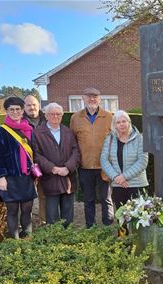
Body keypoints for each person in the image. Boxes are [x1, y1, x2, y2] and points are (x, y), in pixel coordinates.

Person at [0, 96, 37, 239]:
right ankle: (14, 241)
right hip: (10, 177)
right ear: (6, 111)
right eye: (12, 109)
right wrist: (1, 177)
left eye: (18, 109)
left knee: (27, 208)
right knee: (12, 210)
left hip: (27, 176)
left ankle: (27, 237)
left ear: (23, 110)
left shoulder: (29, 129)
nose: (15, 112)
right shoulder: (1, 131)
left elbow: (35, 152)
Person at [70, 87, 114, 227]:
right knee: (88, 199)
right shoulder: (75, 118)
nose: (92, 99)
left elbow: (114, 140)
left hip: (104, 166)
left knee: (106, 198)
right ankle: (91, 227)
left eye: (95, 96)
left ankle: (108, 224)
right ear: (83, 98)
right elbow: (72, 142)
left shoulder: (108, 117)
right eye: (89, 96)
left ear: (99, 99)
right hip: (85, 167)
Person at [33, 102, 79, 227]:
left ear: (62, 115)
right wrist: (52, 168)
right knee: (52, 214)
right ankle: (53, 239)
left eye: (58, 114)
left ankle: (67, 237)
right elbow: (36, 155)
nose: (55, 116)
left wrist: (68, 167)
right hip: (50, 178)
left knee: (68, 211)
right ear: (46, 116)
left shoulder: (68, 132)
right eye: (52, 114)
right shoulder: (38, 133)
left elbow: (75, 151)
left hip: (67, 177)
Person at [101, 110, 149, 209]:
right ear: (114, 125)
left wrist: (124, 176)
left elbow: (143, 161)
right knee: (122, 217)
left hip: (137, 184)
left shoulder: (140, 138)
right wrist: (116, 177)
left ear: (129, 122)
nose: (121, 124)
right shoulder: (109, 139)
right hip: (118, 185)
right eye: (118, 122)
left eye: (124, 121)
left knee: (138, 217)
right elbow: (104, 160)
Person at [23, 94, 48, 224]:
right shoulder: (20, 122)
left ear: (39, 106)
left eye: (34, 104)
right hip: (26, 165)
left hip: (44, 164)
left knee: (44, 194)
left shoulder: (47, 120)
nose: (32, 107)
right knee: (27, 195)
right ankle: (26, 224)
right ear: (24, 107)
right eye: (28, 105)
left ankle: (43, 221)